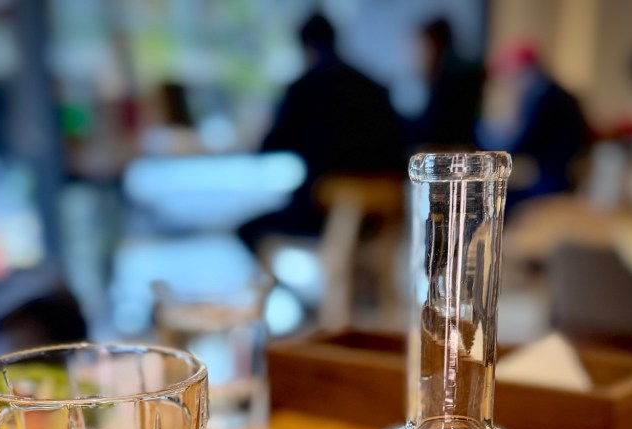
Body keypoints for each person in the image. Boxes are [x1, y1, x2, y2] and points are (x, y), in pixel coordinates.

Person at [238, 12, 405, 253]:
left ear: (304, 47)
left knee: (249, 230)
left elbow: (270, 145)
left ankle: (281, 280)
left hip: (323, 210)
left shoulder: (303, 89)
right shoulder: (374, 87)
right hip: (383, 211)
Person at [475, 41, 589, 209]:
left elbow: (520, 144)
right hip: (555, 176)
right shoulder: (550, 92)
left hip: (552, 183)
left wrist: (486, 134)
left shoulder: (542, 96)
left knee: (492, 200)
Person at [407, 17, 483, 150]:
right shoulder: (437, 84)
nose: (416, 57)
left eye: (424, 48)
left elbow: (433, 133)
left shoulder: (454, 85)